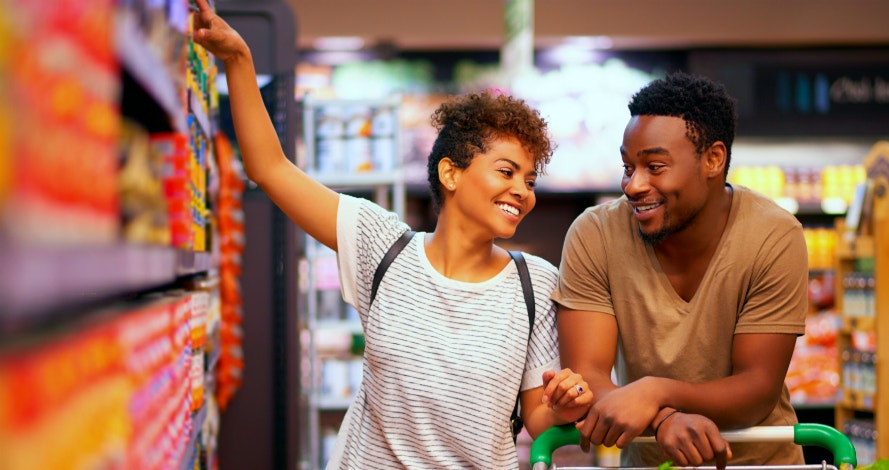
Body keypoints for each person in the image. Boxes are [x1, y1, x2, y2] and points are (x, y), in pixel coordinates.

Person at [191, 1, 592, 468]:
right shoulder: (382, 247)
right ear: (451, 173)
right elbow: (270, 168)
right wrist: (238, 58)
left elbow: (538, 419)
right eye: (507, 171)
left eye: (530, 180)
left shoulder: (534, 284)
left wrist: (567, 404)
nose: (522, 191)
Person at [551, 71, 807, 468]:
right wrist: (665, 417)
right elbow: (586, 376)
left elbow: (757, 390)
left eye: (655, 166)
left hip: (760, 462)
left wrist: (655, 392)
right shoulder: (595, 234)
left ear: (713, 159)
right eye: (627, 166)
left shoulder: (773, 235)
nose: (633, 185)